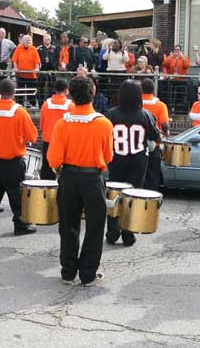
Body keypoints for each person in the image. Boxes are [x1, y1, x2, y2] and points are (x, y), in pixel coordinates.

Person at [47, 75, 114, 286]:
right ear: (93, 94)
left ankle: (68, 272)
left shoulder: (62, 123)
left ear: (70, 95)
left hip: (68, 176)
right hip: (93, 177)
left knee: (68, 226)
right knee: (95, 227)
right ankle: (88, 274)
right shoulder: (104, 123)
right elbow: (109, 157)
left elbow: (53, 159)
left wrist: (61, 169)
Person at [0, 79, 38, 236]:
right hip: (13, 161)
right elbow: (32, 136)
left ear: (0, 92)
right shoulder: (19, 112)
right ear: (13, 93)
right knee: (16, 196)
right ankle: (20, 224)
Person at [105, 80, 160, 246]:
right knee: (132, 197)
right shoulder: (146, 115)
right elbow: (156, 137)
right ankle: (128, 234)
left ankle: (112, 232)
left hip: (116, 159)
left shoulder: (111, 114)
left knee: (114, 196)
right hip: (138, 161)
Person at [39, 78, 71, 180]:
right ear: (67, 90)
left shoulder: (45, 104)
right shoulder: (71, 106)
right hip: (64, 143)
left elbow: (42, 125)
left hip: (48, 141)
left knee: (46, 171)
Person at [141, 79, 169, 191]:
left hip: (137, 145)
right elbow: (164, 124)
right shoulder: (160, 105)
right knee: (153, 175)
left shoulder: (136, 104)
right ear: (153, 90)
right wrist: (166, 134)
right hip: (154, 144)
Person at [12, 35, 41, 107]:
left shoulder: (34, 49)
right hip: (20, 74)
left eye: (29, 40)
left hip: (31, 75)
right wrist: (15, 68)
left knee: (31, 91)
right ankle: (19, 105)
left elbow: (37, 61)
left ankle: (32, 104)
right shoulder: (18, 48)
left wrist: (37, 68)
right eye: (26, 40)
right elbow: (14, 59)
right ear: (23, 41)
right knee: (20, 90)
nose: (28, 41)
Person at [37, 34, 55, 100]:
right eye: (46, 39)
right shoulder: (39, 49)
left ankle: (50, 102)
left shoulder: (54, 48)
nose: (47, 40)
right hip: (42, 71)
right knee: (40, 88)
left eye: (48, 39)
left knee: (52, 88)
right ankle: (40, 105)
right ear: (43, 40)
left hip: (52, 72)